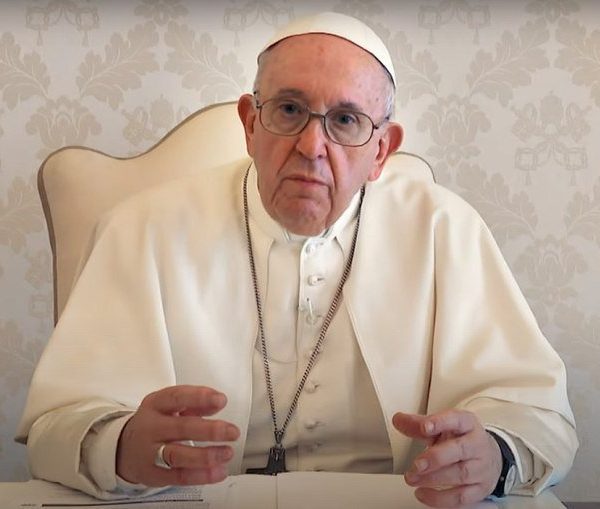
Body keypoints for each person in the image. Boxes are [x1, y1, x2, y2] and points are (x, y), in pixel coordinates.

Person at [17, 12, 577, 508]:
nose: (312, 147)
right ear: (249, 123)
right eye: (289, 110)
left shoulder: (444, 231)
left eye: (346, 120)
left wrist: (493, 454)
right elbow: (59, 426)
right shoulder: (143, 228)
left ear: (381, 150)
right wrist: (119, 447)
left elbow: (536, 414)